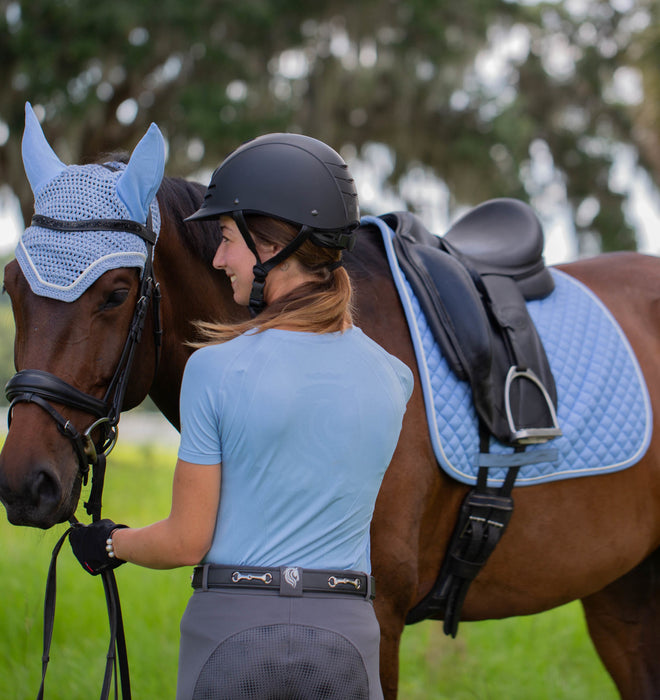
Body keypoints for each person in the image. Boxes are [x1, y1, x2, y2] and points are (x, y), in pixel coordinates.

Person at [70, 132, 413, 699]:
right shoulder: (393, 378)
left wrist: (110, 542)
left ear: (273, 244)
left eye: (227, 238)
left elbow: (186, 542)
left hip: (234, 633)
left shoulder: (213, 370)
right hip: (348, 638)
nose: (218, 258)